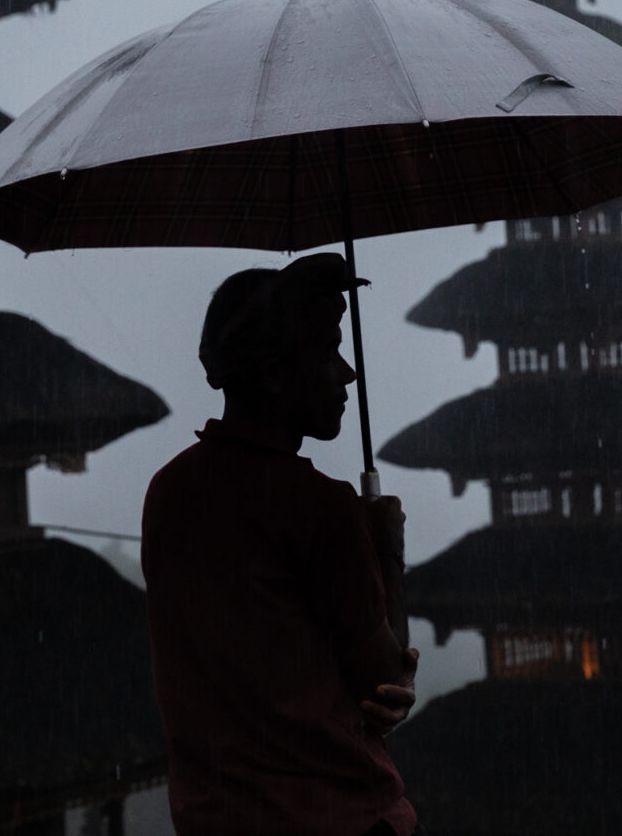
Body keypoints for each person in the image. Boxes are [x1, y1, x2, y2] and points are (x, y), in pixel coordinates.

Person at [142, 253, 420, 836]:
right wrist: (385, 547)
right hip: (338, 818)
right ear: (273, 376)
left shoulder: (169, 492)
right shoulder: (319, 506)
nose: (347, 374)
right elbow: (385, 683)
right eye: (326, 352)